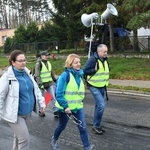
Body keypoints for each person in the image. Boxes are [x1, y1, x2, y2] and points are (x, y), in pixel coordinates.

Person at [0, 50, 46, 150]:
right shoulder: (7, 77)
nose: (23, 63)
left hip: (28, 113)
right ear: (13, 62)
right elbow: (0, 96)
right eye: (20, 61)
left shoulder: (27, 73)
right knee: (24, 140)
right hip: (15, 115)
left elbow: (36, 89)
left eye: (24, 60)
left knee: (18, 138)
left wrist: (42, 102)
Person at [51, 54, 94, 150]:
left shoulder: (80, 75)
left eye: (79, 62)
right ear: (70, 64)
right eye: (76, 62)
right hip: (65, 109)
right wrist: (66, 106)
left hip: (78, 107)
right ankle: (54, 140)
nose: (79, 64)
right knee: (62, 126)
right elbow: (59, 94)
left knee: (82, 127)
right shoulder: (65, 76)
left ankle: (87, 147)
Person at [83, 44, 110, 135]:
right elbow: (84, 71)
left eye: (106, 51)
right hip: (93, 85)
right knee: (101, 105)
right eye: (104, 51)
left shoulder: (105, 59)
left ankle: (96, 124)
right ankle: (96, 126)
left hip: (102, 86)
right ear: (98, 52)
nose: (106, 53)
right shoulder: (92, 60)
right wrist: (93, 70)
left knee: (98, 105)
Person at [34, 51, 58, 118]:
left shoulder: (49, 63)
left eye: (48, 55)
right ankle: (41, 111)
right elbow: (37, 75)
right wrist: (40, 84)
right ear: (41, 56)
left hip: (49, 83)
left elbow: (51, 73)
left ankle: (56, 111)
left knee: (52, 97)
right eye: (46, 55)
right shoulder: (38, 64)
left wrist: (55, 80)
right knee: (42, 99)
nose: (47, 57)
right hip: (42, 84)